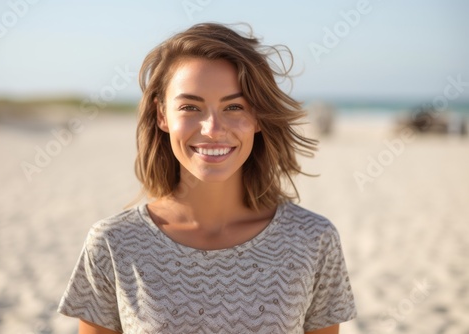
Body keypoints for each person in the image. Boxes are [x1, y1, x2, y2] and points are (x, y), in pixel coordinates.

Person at [58, 22, 357, 334]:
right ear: (162, 115)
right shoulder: (112, 244)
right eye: (190, 106)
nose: (212, 129)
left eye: (234, 106)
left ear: (258, 117)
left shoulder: (312, 239)